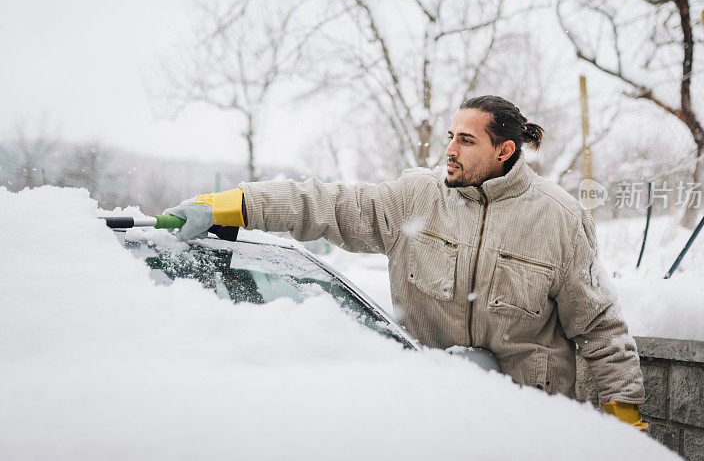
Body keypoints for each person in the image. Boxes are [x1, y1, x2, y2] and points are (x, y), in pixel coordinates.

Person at [166, 95, 647, 430]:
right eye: (450, 136)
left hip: (526, 428)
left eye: (466, 140)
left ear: (505, 150)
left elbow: (600, 328)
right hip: (434, 420)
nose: (450, 151)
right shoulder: (417, 198)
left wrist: (623, 415)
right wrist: (235, 204)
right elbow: (327, 204)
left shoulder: (560, 220)